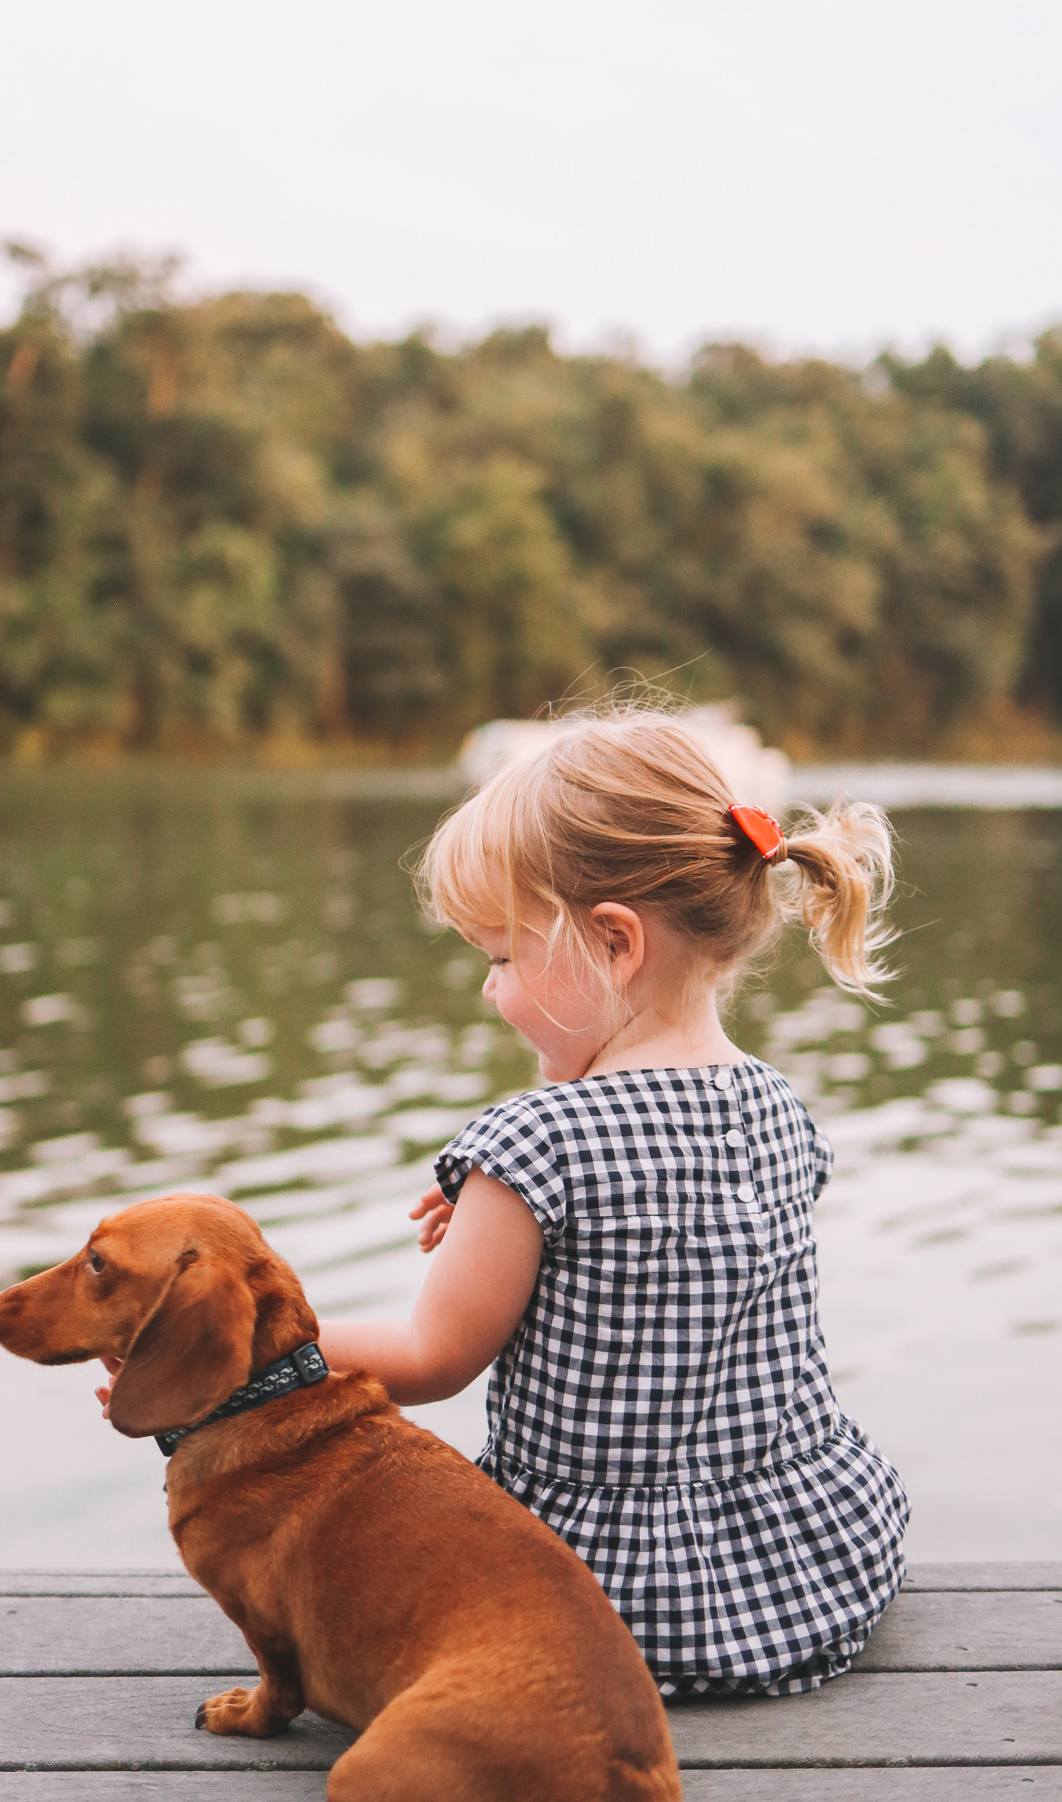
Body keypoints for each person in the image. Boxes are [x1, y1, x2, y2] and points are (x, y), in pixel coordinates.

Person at [320, 707, 909, 1698]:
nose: (488, 990)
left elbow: (431, 1362)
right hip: (806, 1575)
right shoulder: (781, 1110)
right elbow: (649, 1201)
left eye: (501, 957)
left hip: (591, 1601)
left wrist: (255, 1338)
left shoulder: (534, 1145)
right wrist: (507, 1193)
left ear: (615, 944)